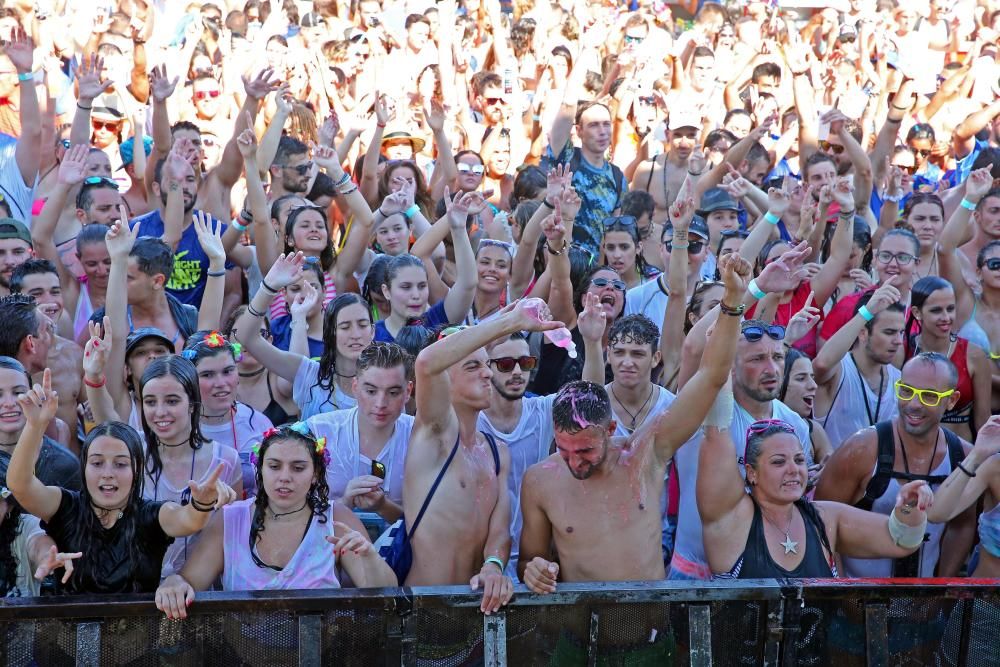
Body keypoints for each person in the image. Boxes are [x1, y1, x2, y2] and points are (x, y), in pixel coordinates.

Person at [518, 253, 747, 593]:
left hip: (650, 629)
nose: (574, 462)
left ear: (611, 432)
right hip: (579, 631)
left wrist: (732, 302)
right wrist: (533, 570)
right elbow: (529, 559)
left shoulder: (645, 455)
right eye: (564, 451)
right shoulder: (540, 481)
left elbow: (712, 376)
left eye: (584, 450)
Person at [7, 370, 235, 594]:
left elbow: (188, 520)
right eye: (97, 463)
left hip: (138, 630)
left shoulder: (151, 515)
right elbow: (20, 485)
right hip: (72, 630)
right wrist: (35, 426)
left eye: (120, 464)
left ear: (137, 470)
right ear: (84, 468)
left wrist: (202, 504)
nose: (108, 473)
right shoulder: (65, 506)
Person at [404, 297, 561, 613]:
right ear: (444, 380)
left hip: (477, 617)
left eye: (486, 364)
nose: (488, 374)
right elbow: (426, 362)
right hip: (423, 617)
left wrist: (492, 565)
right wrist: (511, 323)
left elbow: (500, 532)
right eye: (472, 366)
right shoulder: (433, 436)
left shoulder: (495, 452)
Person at [154, 423, 396, 620]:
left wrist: (370, 558)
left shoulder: (339, 518)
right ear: (260, 470)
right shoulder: (230, 519)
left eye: (298, 468)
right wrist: (173, 584)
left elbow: (385, 594)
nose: (285, 477)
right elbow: (188, 581)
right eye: (274, 466)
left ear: (316, 475)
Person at [698, 408, 932, 579]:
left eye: (799, 460)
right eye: (779, 462)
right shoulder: (733, 518)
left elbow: (901, 541)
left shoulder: (825, 517)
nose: (793, 470)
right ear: (752, 473)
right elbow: (715, 432)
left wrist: (911, 507)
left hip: (816, 648)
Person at [815, 353, 976, 578]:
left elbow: (962, 526)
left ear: (951, 400)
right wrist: (844, 597)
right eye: (906, 391)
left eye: (929, 396)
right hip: (855, 601)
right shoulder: (862, 449)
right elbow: (819, 524)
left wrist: (942, 593)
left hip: (924, 605)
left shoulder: (963, 456)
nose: (914, 404)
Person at [235, 256, 375, 419]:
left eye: (363, 325)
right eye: (345, 327)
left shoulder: (386, 380)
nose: (355, 334)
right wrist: (268, 286)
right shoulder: (311, 374)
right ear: (329, 332)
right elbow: (246, 337)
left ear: (372, 331)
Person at [305, 342, 414, 526]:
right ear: (355, 387)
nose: (381, 403)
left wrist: (384, 506)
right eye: (371, 391)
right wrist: (343, 503)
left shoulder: (420, 436)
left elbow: (430, 523)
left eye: (393, 392)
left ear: (408, 391)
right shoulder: (319, 430)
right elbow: (291, 511)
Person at [477, 333, 554, 579]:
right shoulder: (468, 419)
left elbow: (587, 399)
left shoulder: (543, 411)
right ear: (486, 368)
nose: (518, 371)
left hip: (534, 560)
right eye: (506, 364)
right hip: (483, 562)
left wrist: (593, 343)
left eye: (526, 363)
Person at [812, 281, 906, 450]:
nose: (898, 341)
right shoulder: (839, 372)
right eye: (889, 332)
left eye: (901, 332)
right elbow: (821, 365)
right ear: (862, 333)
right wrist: (867, 312)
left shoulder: (900, 379)